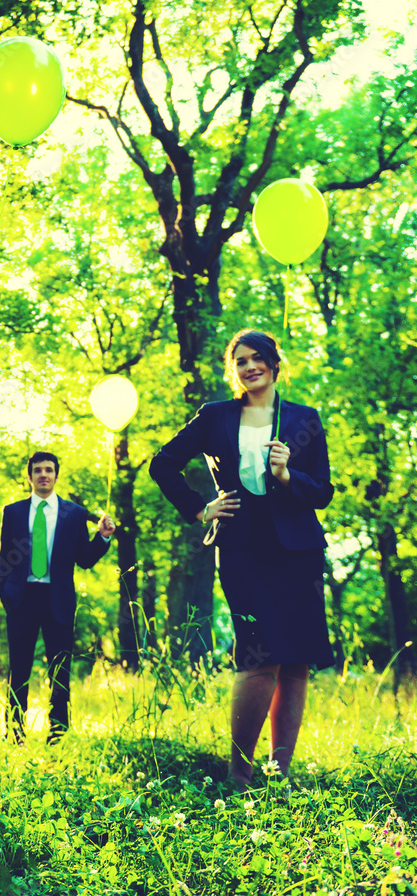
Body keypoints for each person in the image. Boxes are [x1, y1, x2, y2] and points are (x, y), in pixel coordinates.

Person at [149, 328, 334, 785]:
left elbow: (324, 491)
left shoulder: (304, 419)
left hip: (299, 552)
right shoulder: (215, 417)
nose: (249, 366)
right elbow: (163, 463)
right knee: (258, 658)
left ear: (274, 363)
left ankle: (280, 773)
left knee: (294, 662)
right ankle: (238, 772)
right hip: (242, 549)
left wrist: (289, 475)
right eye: (240, 360)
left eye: (257, 358)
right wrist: (199, 508)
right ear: (233, 369)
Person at [0, 451, 115, 743]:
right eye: (38, 470)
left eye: (49, 470)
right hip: (21, 598)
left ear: (56, 475)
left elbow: (84, 559)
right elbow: (5, 559)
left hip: (57, 599)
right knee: (19, 667)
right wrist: (6, 593)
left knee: (60, 668)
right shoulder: (13, 512)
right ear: (30, 476)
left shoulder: (73, 514)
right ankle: (14, 732)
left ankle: (58, 733)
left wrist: (102, 538)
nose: (43, 475)